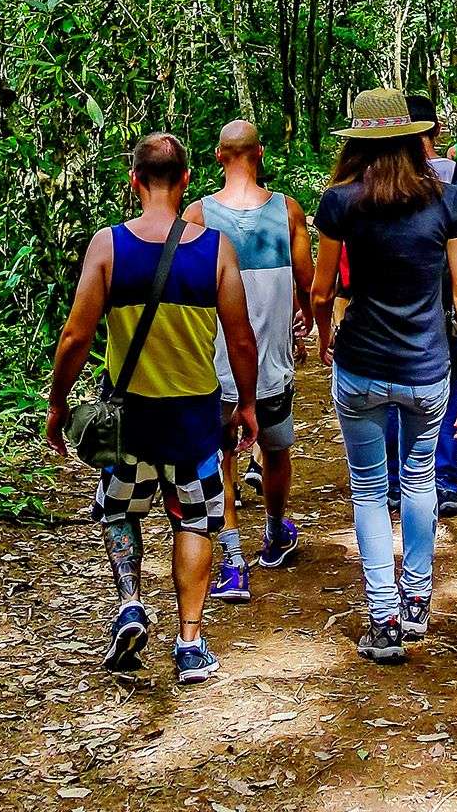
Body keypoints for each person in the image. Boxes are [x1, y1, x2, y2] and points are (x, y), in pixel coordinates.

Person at [47, 133, 258, 685]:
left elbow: (75, 337)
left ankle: (131, 606)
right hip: (193, 419)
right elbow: (240, 341)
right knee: (195, 519)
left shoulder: (108, 247)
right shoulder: (215, 250)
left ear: (134, 182)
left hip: (130, 419)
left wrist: (58, 402)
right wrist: (249, 405)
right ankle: (189, 642)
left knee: (120, 510)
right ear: (187, 180)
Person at [309, 88, 457, 664]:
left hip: (360, 363)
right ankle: (415, 601)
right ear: (414, 136)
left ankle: (381, 617)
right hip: (427, 367)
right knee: (417, 480)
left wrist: (323, 335)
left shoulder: (339, 202)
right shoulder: (448, 201)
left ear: (358, 141)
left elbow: (323, 288)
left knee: (367, 487)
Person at [186, 120, 315, 599]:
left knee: (222, 456)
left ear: (219, 156)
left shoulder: (198, 216)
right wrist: (305, 321)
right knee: (277, 449)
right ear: (258, 154)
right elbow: (307, 280)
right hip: (271, 365)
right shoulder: (288, 212)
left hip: (215, 365)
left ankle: (233, 558)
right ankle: (277, 530)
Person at [378, 94, 457, 517]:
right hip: (448, 303)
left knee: (392, 392)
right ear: (435, 131)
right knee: (449, 389)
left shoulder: (380, 181)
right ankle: (445, 481)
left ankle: (395, 483)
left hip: (393, 303)